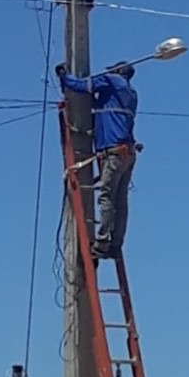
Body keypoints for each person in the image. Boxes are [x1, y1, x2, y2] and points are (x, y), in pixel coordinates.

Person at [56, 60, 139, 260]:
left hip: (113, 153)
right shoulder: (129, 92)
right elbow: (94, 103)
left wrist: (63, 75)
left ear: (118, 71)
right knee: (121, 200)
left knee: (106, 197)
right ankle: (116, 243)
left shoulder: (110, 81)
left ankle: (102, 242)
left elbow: (82, 86)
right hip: (127, 153)